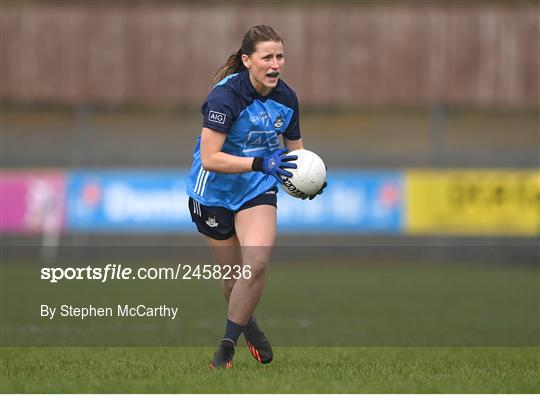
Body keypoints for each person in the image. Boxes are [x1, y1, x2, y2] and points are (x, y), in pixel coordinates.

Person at [186, 25, 326, 369]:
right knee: (233, 281)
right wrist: (261, 161)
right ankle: (248, 326)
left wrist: (307, 180)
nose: (275, 63)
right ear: (248, 61)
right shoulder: (226, 96)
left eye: (280, 56)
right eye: (267, 57)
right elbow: (210, 158)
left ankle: (225, 349)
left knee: (257, 264)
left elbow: (296, 154)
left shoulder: (287, 99)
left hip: (256, 188)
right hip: (212, 192)